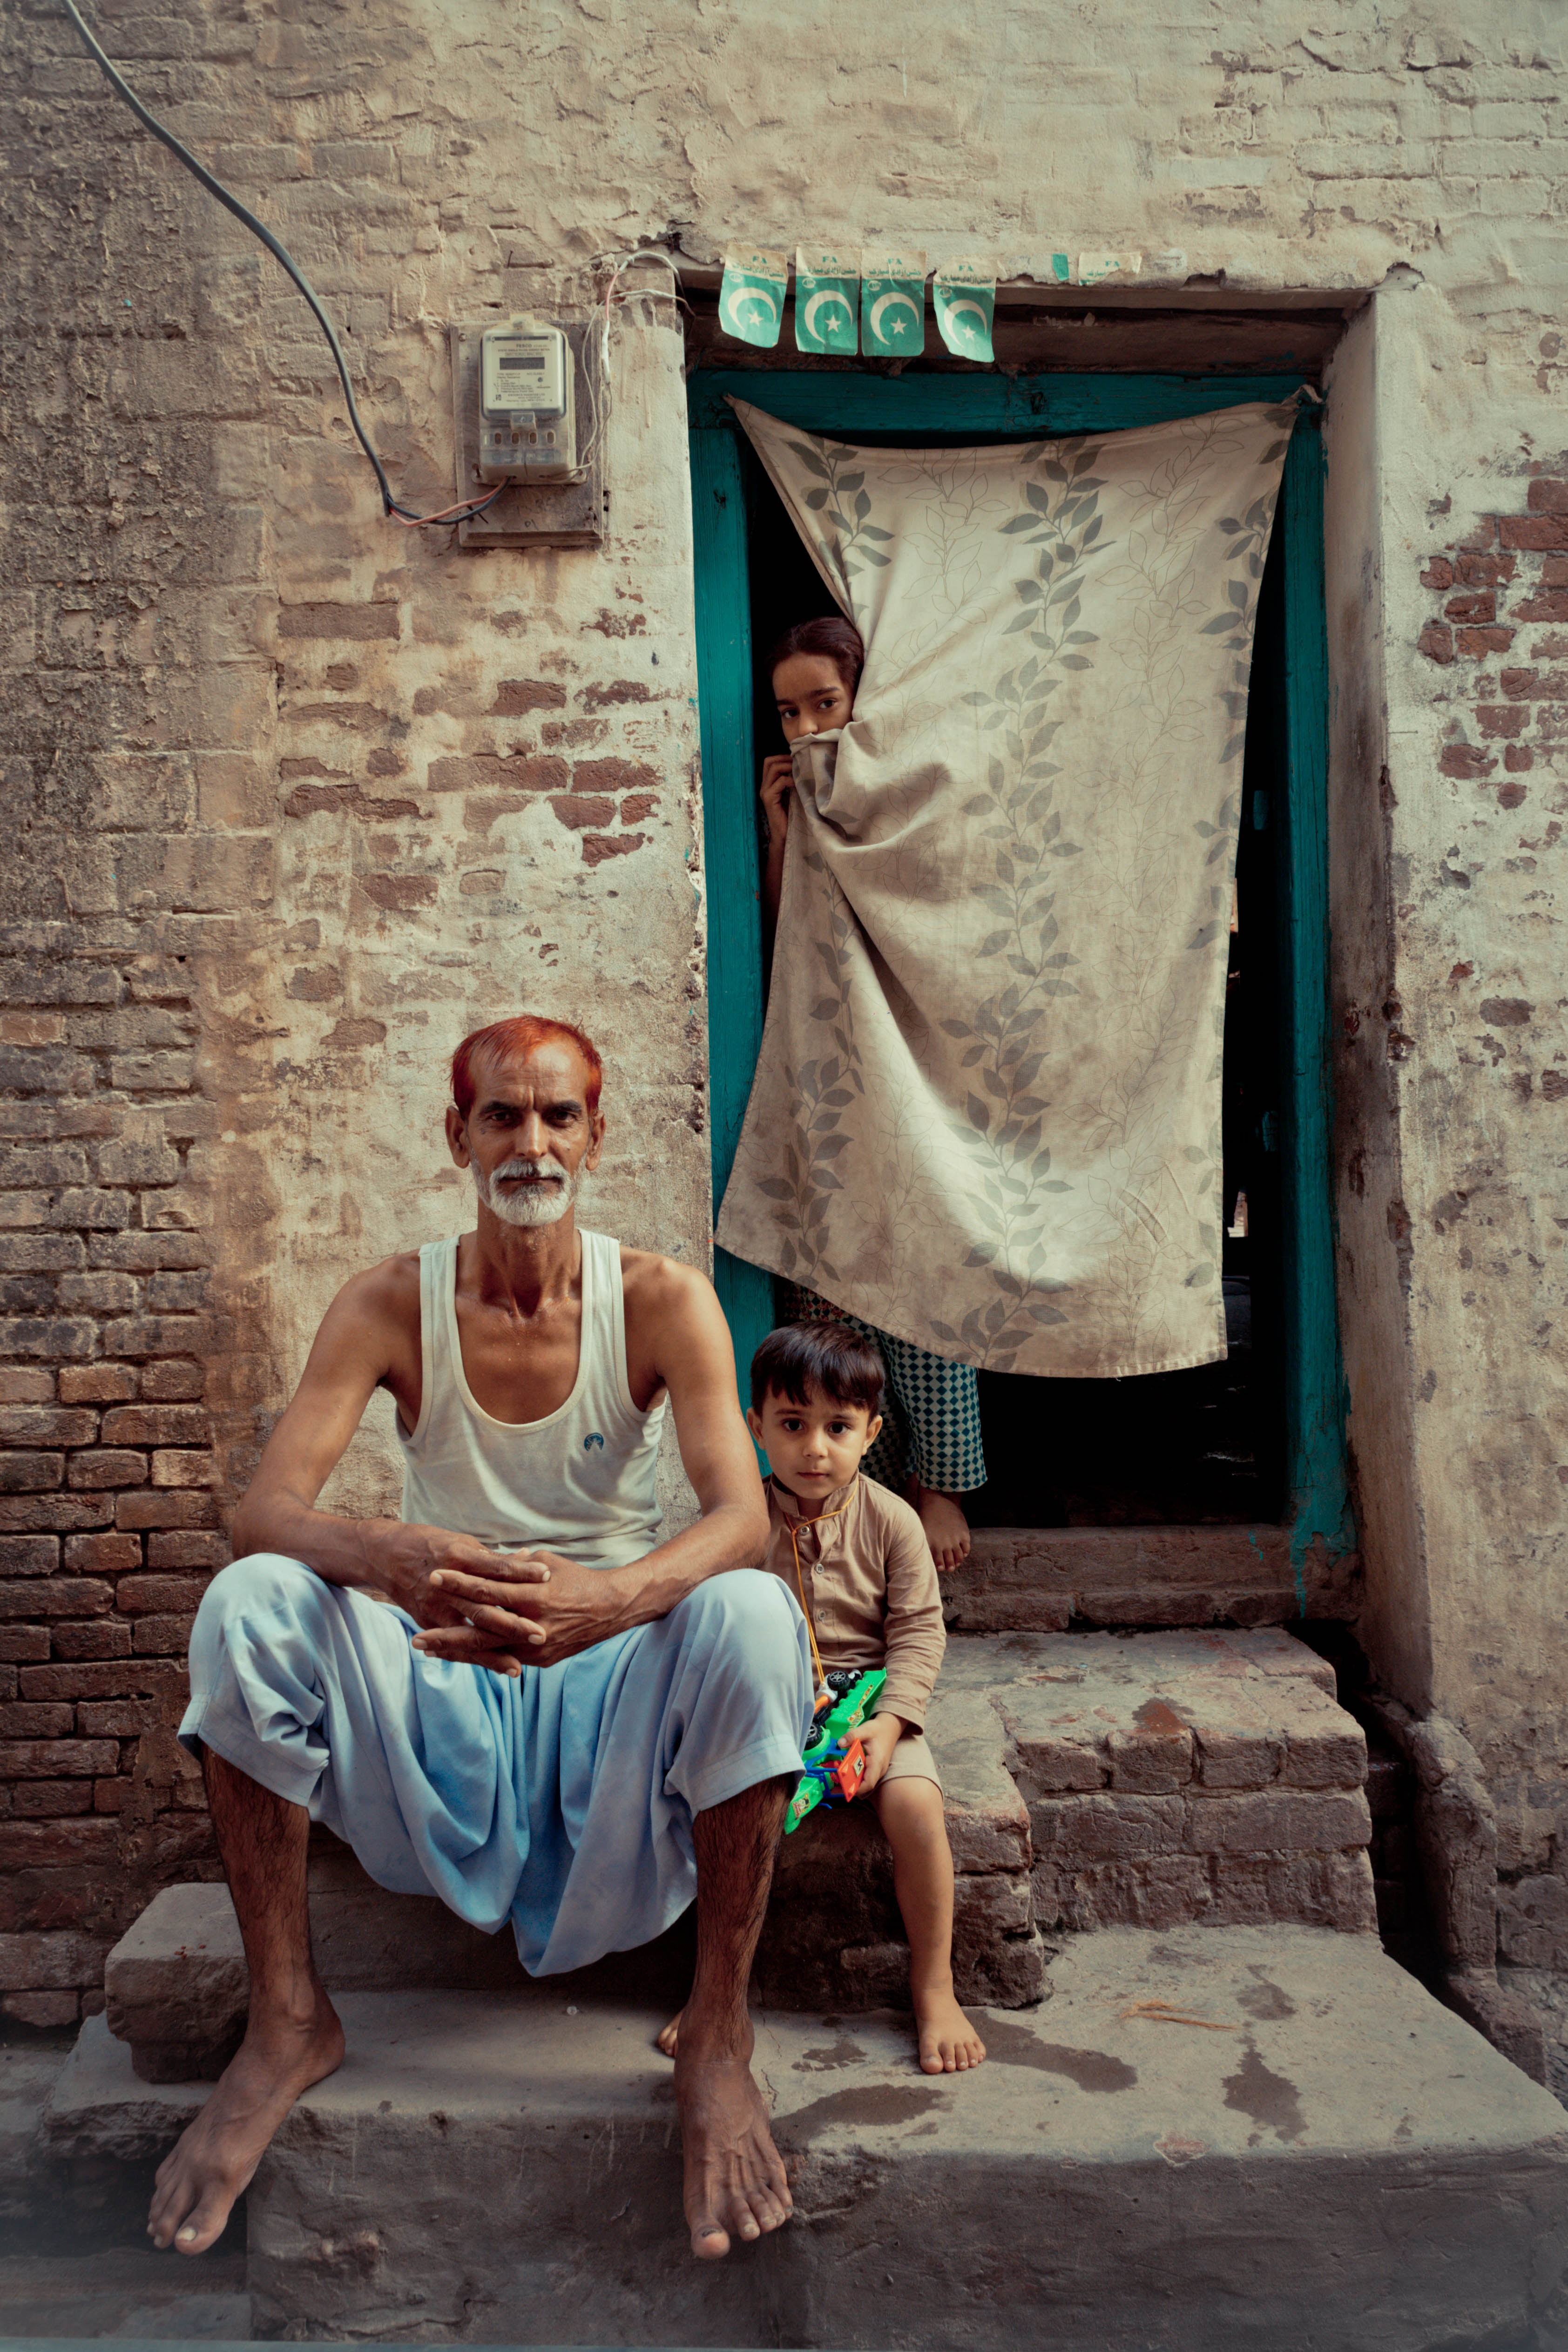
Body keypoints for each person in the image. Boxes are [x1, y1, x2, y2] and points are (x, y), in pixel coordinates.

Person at [146, 1014, 817, 2267]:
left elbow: (742, 1521)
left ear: (596, 1135)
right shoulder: (393, 1299)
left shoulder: (663, 1300)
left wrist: (605, 1602)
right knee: (249, 1604)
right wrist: (382, 1552)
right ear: (456, 1134)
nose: (532, 1140)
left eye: (559, 1115)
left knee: (750, 1613)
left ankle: (719, 2035)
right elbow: (263, 1513)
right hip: (442, 1680)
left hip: (606, 1683)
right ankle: (286, 2017)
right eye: (503, 1114)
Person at [659, 1320, 987, 2077]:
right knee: (727, 1811)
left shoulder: (894, 1523)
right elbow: (702, 1625)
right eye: (793, 1424)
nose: (815, 1448)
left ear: (872, 1433)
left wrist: (887, 1726)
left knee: (916, 1808)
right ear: (755, 1428)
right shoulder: (738, 1526)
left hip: (874, 1702)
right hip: (771, 1706)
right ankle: (716, 1992)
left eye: (838, 1427)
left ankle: (934, 1986)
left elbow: (918, 1635)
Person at [759, 615, 988, 1571]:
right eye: (789, 711)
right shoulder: (796, 802)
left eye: (827, 703)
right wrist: (783, 831)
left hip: (924, 1070)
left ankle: (934, 1490)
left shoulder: (917, 794)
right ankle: (852, 1486)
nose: (810, 727)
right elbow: (785, 936)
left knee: (930, 1273)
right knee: (831, 1278)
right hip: (828, 1074)